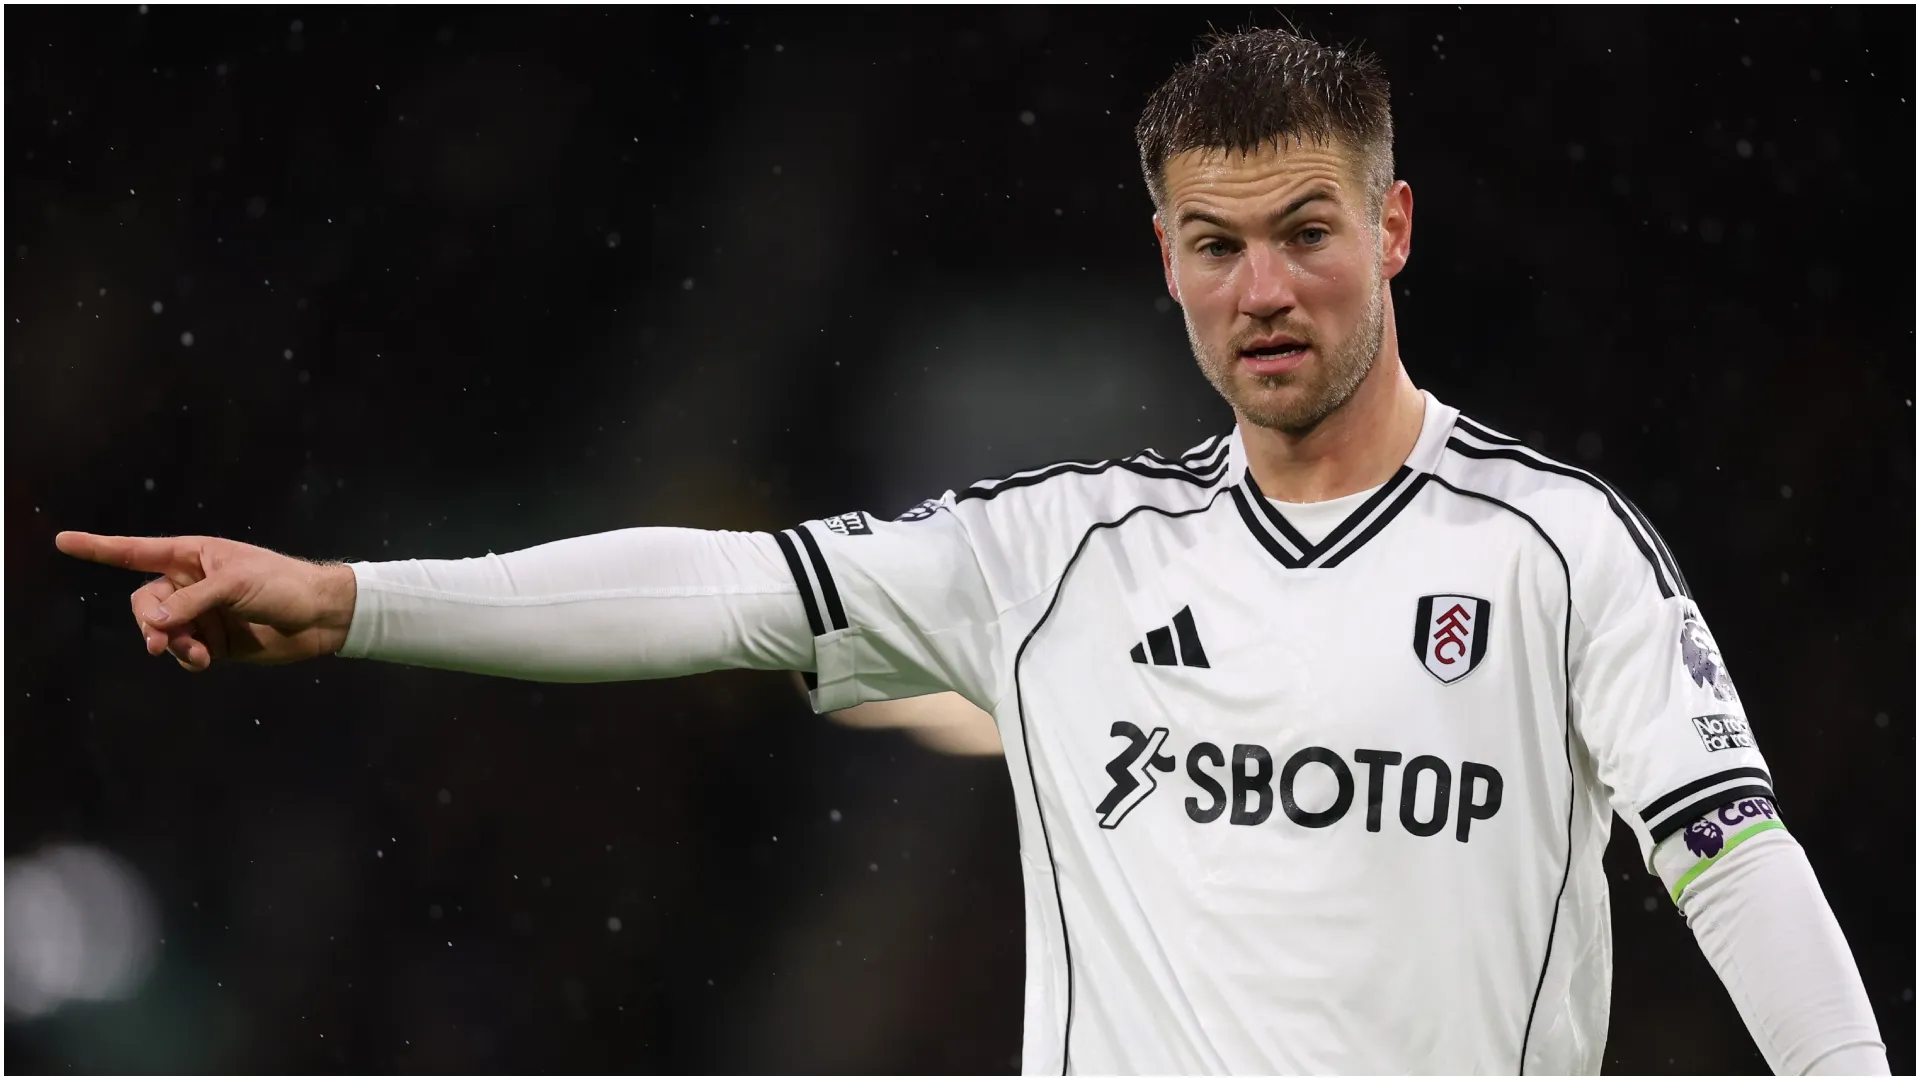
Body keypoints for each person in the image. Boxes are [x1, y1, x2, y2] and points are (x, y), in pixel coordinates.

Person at [56, 27, 1886, 1077]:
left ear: (1394, 227)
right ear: (1162, 253)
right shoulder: (1061, 555)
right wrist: (362, 601)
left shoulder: (1562, 550)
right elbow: (725, 589)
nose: (1262, 289)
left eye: (1307, 230)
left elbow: (1735, 864)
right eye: (1212, 242)